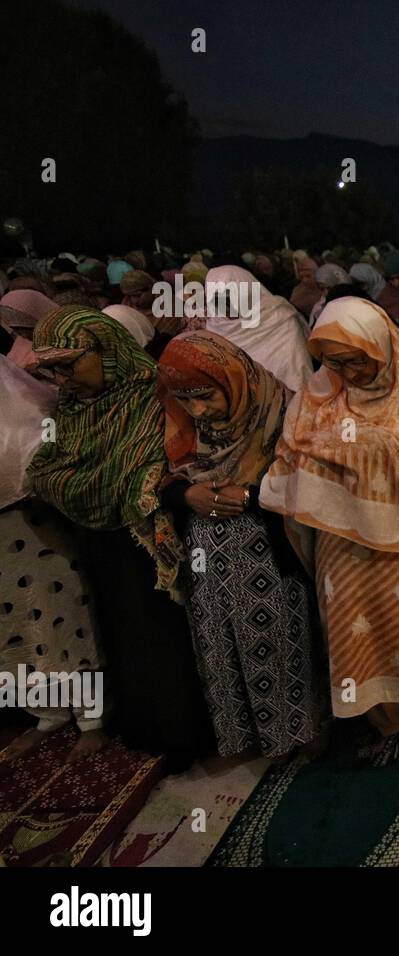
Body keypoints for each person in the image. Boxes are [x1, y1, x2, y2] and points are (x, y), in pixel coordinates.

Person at [259, 297, 399, 754]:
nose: (349, 372)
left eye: (358, 360)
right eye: (336, 362)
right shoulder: (316, 394)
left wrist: (375, 449)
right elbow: (292, 451)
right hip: (345, 549)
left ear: (383, 349)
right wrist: (352, 452)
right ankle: (389, 724)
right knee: (356, 636)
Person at [28, 307, 215, 769]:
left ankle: (184, 736)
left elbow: (150, 476)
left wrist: (92, 484)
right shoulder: (72, 409)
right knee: (121, 636)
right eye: (52, 369)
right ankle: (143, 728)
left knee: (162, 639)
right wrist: (104, 485)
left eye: (70, 364)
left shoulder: (156, 396)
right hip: (101, 545)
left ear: (106, 348)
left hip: (151, 546)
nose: (62, 378)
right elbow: (44, 473)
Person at [157, 332, 326, 759]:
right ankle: (243, 735)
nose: (196, 410)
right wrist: (186, 496)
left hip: (271, 548)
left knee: (276, 638)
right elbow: (158, 478)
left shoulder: (280, 410)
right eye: (185, 399)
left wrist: (253, 497)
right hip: (206, 551)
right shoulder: (178, 419)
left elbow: (314, 480)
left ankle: (298, 732)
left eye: (205, 396)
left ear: (230, 379)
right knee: (219, 639)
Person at [0, 355, 108, 761]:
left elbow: (36, 443)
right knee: (14, 628)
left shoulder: (15, 392)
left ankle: (90, 717)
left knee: (59, 618)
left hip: (33, 520)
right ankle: (46, 714)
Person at [204, 265, 314, 394]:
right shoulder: (215, 329)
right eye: (216, 301)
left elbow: (298, 378)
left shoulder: (278, 320)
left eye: (228, 299)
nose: (224, 308)